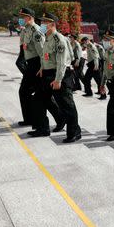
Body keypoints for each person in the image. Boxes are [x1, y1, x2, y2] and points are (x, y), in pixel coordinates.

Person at [30, 12, 81, 142]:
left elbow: (62, 62)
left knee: (66, 105)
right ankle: (43, 128)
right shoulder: (47, 37)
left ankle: (74, 133)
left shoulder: (59, 39)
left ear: (52, 24)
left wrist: (58, 80)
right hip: (48, 73)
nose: (42, 24)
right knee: (39, 100)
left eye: (44, 22)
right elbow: (45, 56)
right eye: (41, 22)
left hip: (60, 75)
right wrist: (42, 67)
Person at [17, 7, 62, 131]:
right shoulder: (26, 30)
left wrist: (42, 67)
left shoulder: (36, 31)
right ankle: (31, 119)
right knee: (29, 93)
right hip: (31, 64)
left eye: (23, 17)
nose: (20, 19)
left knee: (40, 96)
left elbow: (43, 52)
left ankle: (57, 119)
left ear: (30, 17)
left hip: (37, 65)